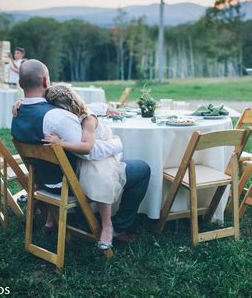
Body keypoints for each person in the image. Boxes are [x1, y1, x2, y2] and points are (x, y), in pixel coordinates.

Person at [11, 59, 150, 247]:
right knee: (142, 169)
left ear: (20, 84)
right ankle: (117, 227)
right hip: (71, 184)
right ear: (46, 81)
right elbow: (89, 151)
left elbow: (72, 105)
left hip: (44, 183)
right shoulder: (57, 117)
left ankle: (83, 220)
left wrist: (100, 108)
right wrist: (117, 144)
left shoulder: (17, 114)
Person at [42, 83, 126, 250]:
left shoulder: (87, 119)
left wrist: (61, 143)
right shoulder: (69, 118)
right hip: (86, 157)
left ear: (67, 107)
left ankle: (107, 225)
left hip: (101, 156)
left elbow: (88, 147)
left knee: (101, 176)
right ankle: (61, 217)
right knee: (90, 173)